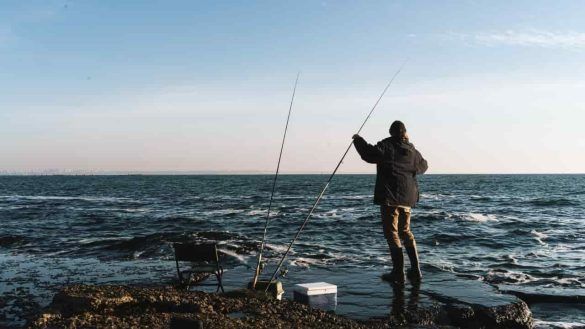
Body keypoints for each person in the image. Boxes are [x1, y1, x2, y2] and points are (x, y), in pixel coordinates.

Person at [352, 120, 428, 283]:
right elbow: (424, 166)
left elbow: (369, 154)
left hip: (390, 198)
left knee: (392, 233)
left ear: (391, 132)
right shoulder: (412, 150)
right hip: (407, 198)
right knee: (405, 231)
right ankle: (416, 271)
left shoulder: (387, 146)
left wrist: (358, 140)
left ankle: (398, 273)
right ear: (405, 133)